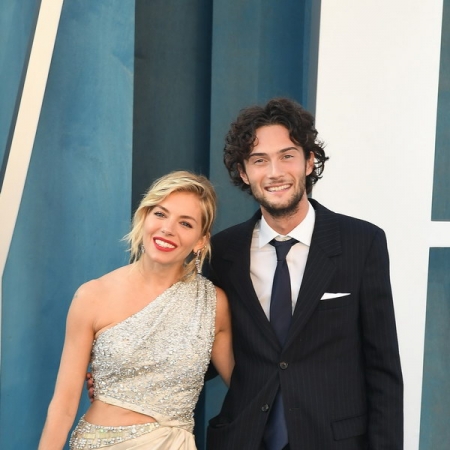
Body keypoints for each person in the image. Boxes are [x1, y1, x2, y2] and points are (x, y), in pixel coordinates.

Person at [206, 98, 403, 449]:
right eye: (259, 160)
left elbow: (382, 368)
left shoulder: (362, 242)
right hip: (245, 439)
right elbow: (199, 352)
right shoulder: (222, 252)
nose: (275, 172)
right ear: (243, 172)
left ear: (310, 161)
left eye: (287, 156)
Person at [39, 171, 233, 450]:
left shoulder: (213, 304)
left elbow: (247, 390)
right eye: (160, 214)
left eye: (185, 223)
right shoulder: (92, 296)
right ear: (144, 217)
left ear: (201, 240)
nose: (168, 229)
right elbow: (63, 405)